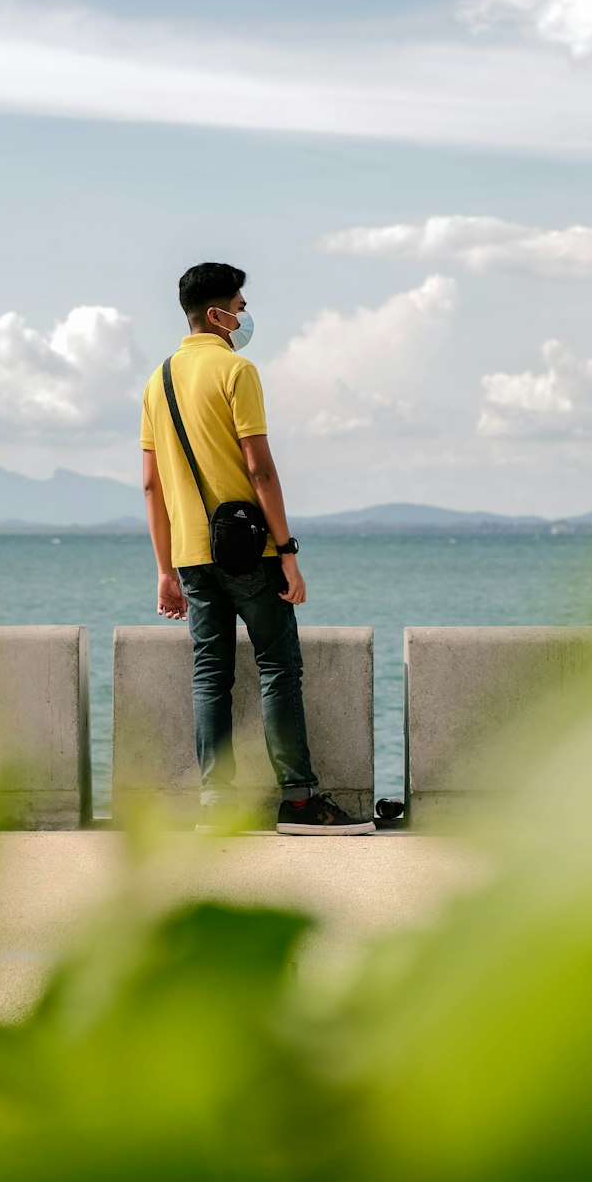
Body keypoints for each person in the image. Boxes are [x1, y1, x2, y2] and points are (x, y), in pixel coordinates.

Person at [140, 261, 376, 836]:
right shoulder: (237, 370)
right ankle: (298, 802)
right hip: (250, 552)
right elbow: (260, 469)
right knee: (277, 668)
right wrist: (288, 552)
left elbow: (151, 484)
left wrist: (165, 570)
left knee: (209, 675)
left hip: (193, 557)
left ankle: (215, 806)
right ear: (218, 314)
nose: (245, 317)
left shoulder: (158, 380)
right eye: (241, 308)